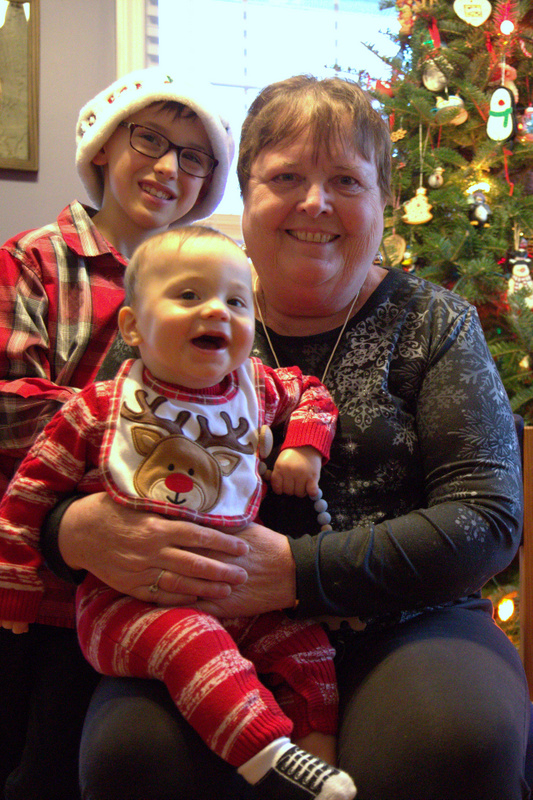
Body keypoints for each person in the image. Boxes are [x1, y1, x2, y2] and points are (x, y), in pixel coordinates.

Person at [44, 74, 528, 800]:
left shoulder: (435, 323)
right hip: (198, 629)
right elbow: (63, 467)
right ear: (245, 197)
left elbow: (486, 521)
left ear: (383, 201)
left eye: (346, 180)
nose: (314, 202)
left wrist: (297, 574)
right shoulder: (179, 312)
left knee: (449, 744)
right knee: (134, 757)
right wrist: (71, 532)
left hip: (407, 619)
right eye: (286, 177)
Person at [0, 225, 355, 800]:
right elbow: (28, 494)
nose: (216, 310)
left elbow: (312, 392)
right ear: (133, 326)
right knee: (192, 641)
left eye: (236, 302)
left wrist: (303, 446)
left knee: (307, 647)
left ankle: (316, 760)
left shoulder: (255, 389)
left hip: (236, 596)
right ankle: (268, 754)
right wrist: (15, 588)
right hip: (126, 608)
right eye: (189, 295)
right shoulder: (99, 408)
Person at [0, 68, 235, 800]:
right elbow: (8, 406)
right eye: (150, 140)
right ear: (103, 147)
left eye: (194, 156)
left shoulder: (210, 289)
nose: (170, 168)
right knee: (31, 763)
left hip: (149, 594)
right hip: (38, 592)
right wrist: (138, 425)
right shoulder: (33, 261)